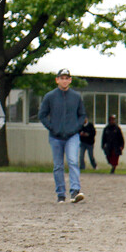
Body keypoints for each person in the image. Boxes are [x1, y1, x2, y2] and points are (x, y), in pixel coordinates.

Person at [38, 68, 86, 204]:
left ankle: (75, 191)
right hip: (56, 136)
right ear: (57, 80)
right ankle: (60, 194)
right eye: (62, 78)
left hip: (72, 135)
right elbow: (42, 114)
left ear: (70, 80)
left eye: (67, 78)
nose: (64, 81)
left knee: (73, 161)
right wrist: (52, 127)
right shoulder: (50, 97)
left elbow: (82, 114)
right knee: (58, 165)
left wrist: (76, 127)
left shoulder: (76, 97)